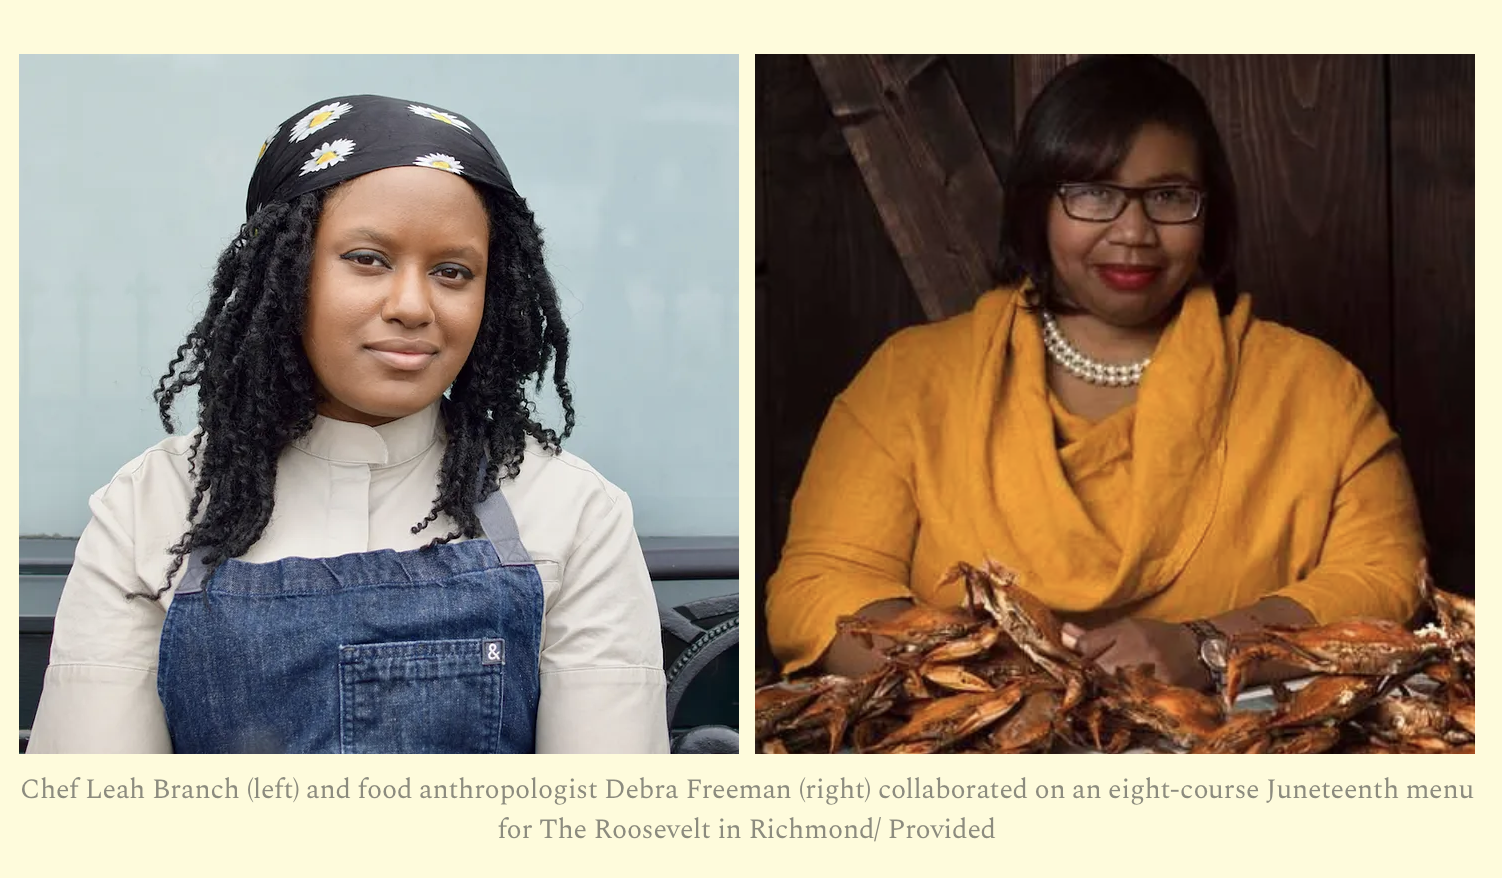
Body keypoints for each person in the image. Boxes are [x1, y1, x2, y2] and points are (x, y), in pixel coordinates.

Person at [763, 55, 1425, 694]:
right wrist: (995, 671)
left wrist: (1209, 645)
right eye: (1093, 194)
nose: (1133, 231)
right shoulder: (910, 380)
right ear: (1037, 206)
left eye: (1168, 196)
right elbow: (817, 592)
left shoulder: (1315, 388)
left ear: (1210, 211)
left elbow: (1386, 578)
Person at [28, 95, 669, 754]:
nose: (413, 305)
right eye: (368, 259)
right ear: (285, 269)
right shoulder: (148, 506)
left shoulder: (572, 510)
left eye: (453, 272)